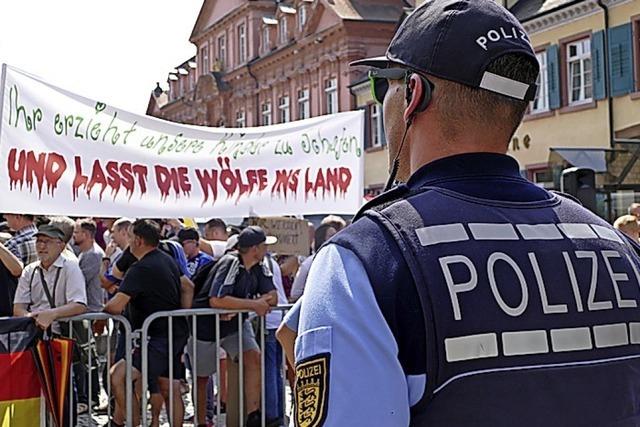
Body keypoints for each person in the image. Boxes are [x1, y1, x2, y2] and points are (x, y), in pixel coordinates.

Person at [285, 1, 640, 425]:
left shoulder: (365, 260)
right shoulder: (618, 248)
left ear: (413, 93)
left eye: (384, 86)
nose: (382, 102)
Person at [104, 219, 193, 427]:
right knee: (169, 386)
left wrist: (104, 309)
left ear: (138, 240)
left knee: (118, 376)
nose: (128, 241)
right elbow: (188, 286)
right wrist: (182, 315)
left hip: (155, 337)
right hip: (175, 333)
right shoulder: (167, 258)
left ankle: (133, 423)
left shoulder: (139, 269)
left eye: (130, 236)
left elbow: (115, 306)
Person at [188, 226, 277, 427]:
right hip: (205, 328)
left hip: (236, 325)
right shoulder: (230, 263)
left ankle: (253, 416)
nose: (267, 250)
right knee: (202, 378)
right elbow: (216, 300)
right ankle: (202, 421)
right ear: (255, 248)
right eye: (264, 246)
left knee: (254, 357)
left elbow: (273, 296)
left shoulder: (260, 266)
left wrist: (238, 307)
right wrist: (253, 304)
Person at [13, 224, 87, 332]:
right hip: (34, 336)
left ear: (61, 246)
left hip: (63, 337)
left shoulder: (70, 267)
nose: (42, 246)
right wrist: (30, 316)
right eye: (39, 241)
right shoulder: (29, 270)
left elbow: (79, 305)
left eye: (47, 241)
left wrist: (52, 314)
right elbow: (18, 307)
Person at [289, 223, 338, 302]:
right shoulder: (309, 263)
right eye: (331, 236)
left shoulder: (340, 262)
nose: (336, 238)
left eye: (336, 235)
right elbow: (295, 292)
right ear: (321, 238)